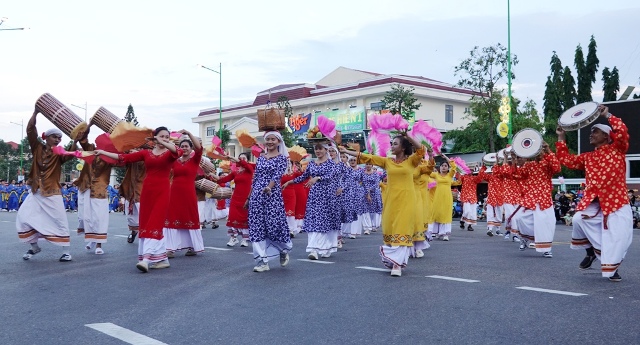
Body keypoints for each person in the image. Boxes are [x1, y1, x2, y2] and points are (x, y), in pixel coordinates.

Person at [556, 105, 632, 282]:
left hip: (616, 202)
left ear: (606, 136)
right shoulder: (588, 157)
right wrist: (561, 137)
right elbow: (567, 160)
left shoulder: (617, 150)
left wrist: (608, 115)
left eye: (595, 131)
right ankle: (592, 253)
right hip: (594, 202)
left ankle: (612, 267)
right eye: (591, 131)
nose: (591, 134)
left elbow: (622, 132)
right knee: (577, 219)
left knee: (619, 238)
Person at [96, 126, 181, 273]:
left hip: (163, 191)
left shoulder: (170, 153)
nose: (165, 139)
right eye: (162, 136)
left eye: (167, 137)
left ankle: (147, 259)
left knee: (155, 222)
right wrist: (102, 152)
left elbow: (176, 151)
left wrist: (163, 141)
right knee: (147, 223)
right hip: (147, 191)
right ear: (154, 138)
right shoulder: (146, 153)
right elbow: (123, 158)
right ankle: (162, 259)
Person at [339, 133, 425, 277]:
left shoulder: (411, 162)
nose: (392, 145)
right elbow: (368, 158)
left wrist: (407, 135)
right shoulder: (387, 161)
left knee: (402, 229)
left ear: (403, 148)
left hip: (407, 202)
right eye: (392, 143)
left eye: (395, 143)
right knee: (390, 229)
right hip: (391, 201)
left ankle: (397, 264)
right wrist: (346, 151)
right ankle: (394, 259)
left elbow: (421, 149)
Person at [17, 110, 76, 262]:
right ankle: (34, 247)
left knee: (60, 221)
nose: (57, 140)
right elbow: (30, 130)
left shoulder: (59, 153)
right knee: (24, 218)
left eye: (59, 138)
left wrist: (76, 139)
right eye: (54, 137)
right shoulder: (37, 147)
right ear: (47, 137)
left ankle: (66, 252)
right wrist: (36, 113)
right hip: (36, 191)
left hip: (53, 192)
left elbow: (70, 153)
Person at [285, 141, 340, 259]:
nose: (318, 151)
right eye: (316, 149)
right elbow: (304, 176)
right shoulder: (311, 163)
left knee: (326, 223)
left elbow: (330, 176)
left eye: (320, 149)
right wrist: (291, 181)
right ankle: (313, 249)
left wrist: (318, 178)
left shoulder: (331, 164)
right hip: (314, 196)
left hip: (328, 196)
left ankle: (326, 247)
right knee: (314, 221)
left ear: (326, 150)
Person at [246, 131, 292, 272]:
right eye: (268, 139)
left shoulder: (282, 158)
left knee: (274, 227)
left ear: (279, 142)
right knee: (256, 227)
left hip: (272, 197)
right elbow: (255, 179)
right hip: (256, 197)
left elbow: (277, 176)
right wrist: (249, 197)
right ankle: (262, 261)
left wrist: (269, 187)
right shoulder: (260, 158)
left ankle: (283, 249)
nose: (270, 142)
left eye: (273, 139)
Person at [510, 143, 561, 258]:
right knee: (519, 218)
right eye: (536, 151)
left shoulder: (548, 163)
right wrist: (513, 160)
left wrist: (548, 150)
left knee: (544, 223)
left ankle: (546, 249)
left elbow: (557, 168)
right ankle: (525, 238)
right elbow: (516, 175)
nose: (538, 153)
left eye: (540, 151)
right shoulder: (530, 165)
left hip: (544, 198)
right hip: (530, 197)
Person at [164, 131, 204, 258]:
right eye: (182, 146)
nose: (184, 148)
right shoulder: (174, 160)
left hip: (189, 193)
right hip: (174, 193)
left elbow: (199, 148)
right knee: (172, 217)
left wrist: (188, 134)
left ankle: (193, 246)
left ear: (191, 148)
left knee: (190, 217)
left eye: (187, 146)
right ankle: (170, 248)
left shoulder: (195, 160)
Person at [75, 135, 116, 255]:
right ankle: (92, 240)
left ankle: (99, 244)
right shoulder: (91, 149)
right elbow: (83, 141)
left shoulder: (110, 157)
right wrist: (89, 126)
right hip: (85, 187)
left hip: (99, 190)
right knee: (84, 217)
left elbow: (122, 160)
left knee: (99, 218)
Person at [215, 152, 255, 247]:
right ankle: (233, 238)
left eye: (243, 158)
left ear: (247, 160)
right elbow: (223, 180)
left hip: (246, 198)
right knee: (232, 217)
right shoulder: (235, 172)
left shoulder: (250, 169)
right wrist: (211, 175)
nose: (241, 160)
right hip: (235, 198)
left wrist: (233, 157)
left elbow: (244, 164)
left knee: (244, 218)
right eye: (240, 158)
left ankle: (245, 239)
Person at [119, 152, 146, 243]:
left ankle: (147, 234)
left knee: (144, 213)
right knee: (131, 215)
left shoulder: (148, 154)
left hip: (143, 190)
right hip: (131, 190)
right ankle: (134, 231)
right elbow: (121, 161)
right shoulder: (131, 156)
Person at [429, 157, 457, 241]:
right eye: (442, 166)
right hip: (437, 197)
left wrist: (445, 157)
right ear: (439, 167)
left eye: (445, 166)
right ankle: (436, 232)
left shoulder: (450, 175)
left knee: (446, 214)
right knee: (437, 213)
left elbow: (454, 166)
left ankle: (445, 234)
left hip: (447, 197)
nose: (444, 167)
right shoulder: (436, 175)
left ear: (448, 168)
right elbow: (427, 172)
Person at [478, 162, 504, 237]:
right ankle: (490, 229)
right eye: (493, 169)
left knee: (498, 214)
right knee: (490, 214)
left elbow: (506, 171)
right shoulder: (490, 177)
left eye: (496, 168)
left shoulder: (502, 177)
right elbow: (481, 175)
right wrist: (483, 166)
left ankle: (497, 229)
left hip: (499, 198)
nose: (494, 170)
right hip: (492, 198)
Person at [360, 162, 383, 235]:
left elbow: (376, 183)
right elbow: (361, 182)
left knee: (374, 209)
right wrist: (367, 192)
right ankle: (367, 228)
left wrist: (369, 190)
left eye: (369, 164)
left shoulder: (375, 174)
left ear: (372, 165)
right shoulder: (362, 173)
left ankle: (374, 225)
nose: (368, 165)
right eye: (367, 164)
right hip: (364, 193)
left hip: (374, 193)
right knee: (366, 210)